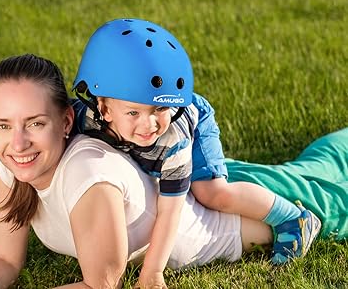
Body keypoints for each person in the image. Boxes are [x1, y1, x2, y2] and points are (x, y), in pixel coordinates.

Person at [0, 54, 347, 288]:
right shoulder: (14, 159)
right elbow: (5, 261)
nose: (19, 142)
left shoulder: (88, 173)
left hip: (235, 212)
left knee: (334, 196)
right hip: (182, 174)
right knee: (322, 160)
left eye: (35, 123)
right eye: (3, 125)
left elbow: (101, 284)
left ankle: (298, 219)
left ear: (64, 121)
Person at [69, 18, 320, 274]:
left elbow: (170, 212)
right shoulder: (83, 118)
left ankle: (293, 219)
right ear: (103, 108)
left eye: (160, 109)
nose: (150, 125)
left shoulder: (172, 139)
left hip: (196, 124)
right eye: (133, 113)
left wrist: (153, 272)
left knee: (211, 193)